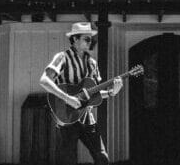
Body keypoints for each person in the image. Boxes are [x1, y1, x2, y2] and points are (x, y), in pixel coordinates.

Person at [39, 22, 123, 165]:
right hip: (66, 116)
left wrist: (111, 93)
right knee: (69, 159)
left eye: (91, 39)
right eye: (87, 39)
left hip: (87, 118)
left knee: (102, 158)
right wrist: (68, 98)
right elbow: (44, 80)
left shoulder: (92, 63)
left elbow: (92, 94)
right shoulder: (62, 58)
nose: (91, 42)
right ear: (75, 39)